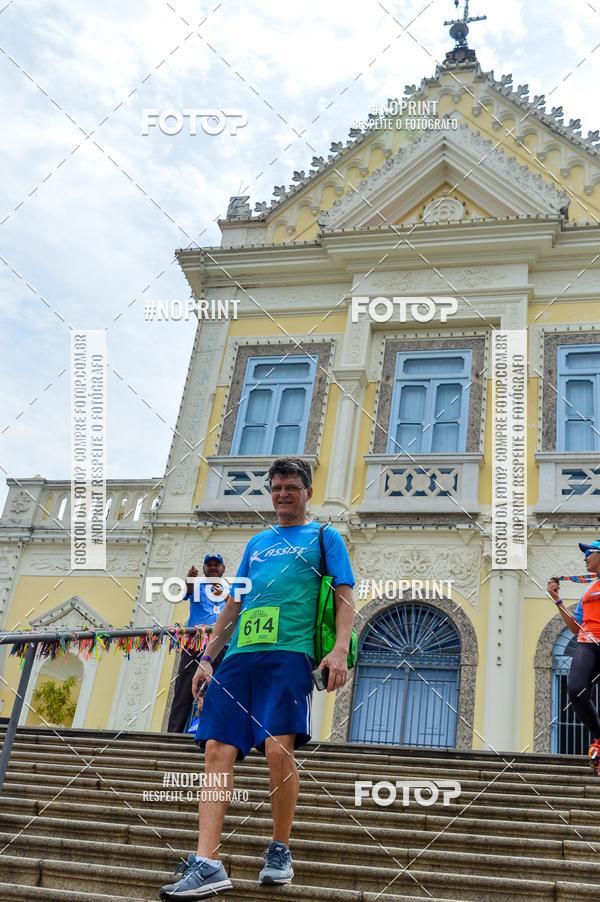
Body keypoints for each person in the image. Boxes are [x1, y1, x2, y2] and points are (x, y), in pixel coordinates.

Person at [159, 456, 355, 899]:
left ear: (307, 491)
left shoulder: (325, 537)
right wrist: (208, 657)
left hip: (289, 654)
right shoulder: (257, 543)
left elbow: (344, 595)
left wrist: (339, 648)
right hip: (241, 656)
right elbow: (232, 604)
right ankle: (208, 862)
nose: (283, 494)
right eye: (277, 487)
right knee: (214, 748)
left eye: (291, 486)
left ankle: (280, 849)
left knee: (276, 749)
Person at [547, 539, 600, 770]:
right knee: (576, 689)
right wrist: (557, 600)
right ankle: (599, 736)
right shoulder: (588, 591)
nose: (585, 556)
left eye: (589, 552)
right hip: (587, 641)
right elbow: (576, 628)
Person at [166, 553, 228, 734]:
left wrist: (224, 596)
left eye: (217, 564)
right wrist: (190, 580)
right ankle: (173, 734)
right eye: (209, 565)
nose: (214, 567)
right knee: (183, 690)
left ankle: (215, 732)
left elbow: (238, 607)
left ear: (223, 569)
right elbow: (186, 593)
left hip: (219, 646)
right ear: (204, 569)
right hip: (195, 645)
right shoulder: (197, 585)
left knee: (219, 689)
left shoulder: (230, 589)